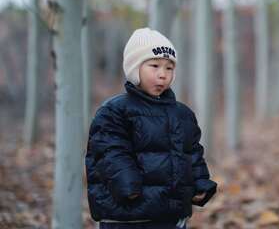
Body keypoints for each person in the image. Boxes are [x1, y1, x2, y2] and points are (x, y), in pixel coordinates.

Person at [85, 28, 217, 229]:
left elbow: (192, 153)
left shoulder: (182, 114)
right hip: (127, 215)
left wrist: (200, 183)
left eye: (169, 68)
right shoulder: (115, 111)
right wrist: (128, 186)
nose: (162, 75)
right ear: (135, 68)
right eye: (154, 66)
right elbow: (110, 152)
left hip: (171, 215)